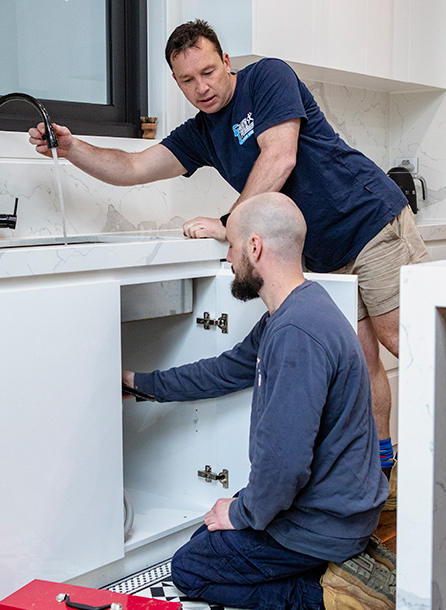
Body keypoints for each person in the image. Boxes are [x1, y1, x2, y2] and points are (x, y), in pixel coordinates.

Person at [30, 20, 431, 477]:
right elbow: (134, 166)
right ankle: (381, 474)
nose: (201, 88)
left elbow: (279, 156)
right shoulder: (201, 133)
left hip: (368, 218)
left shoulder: (267, 78)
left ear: (225, 62)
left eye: (207, 72)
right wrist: (72, 148)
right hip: (324, 252)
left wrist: (228, 225)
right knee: (360, 361)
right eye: (187, 80)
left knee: (407, 342)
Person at [122, 193, 392, 610]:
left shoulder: (295, 334)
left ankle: (333, 598)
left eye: (231, 245)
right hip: (339, 514)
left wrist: (243, 513)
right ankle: (338, 569)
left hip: (322, 524)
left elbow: (284, 461)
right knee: (206, 538)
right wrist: (141, 383)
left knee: (190, 569)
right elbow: (224, 370)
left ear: (255, 246)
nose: (228, 258)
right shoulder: (297, 311)